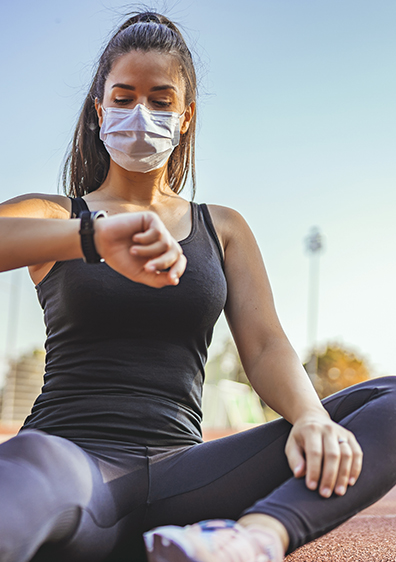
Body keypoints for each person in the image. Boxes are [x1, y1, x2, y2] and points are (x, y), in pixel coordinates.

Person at [0, 10, 395, 562]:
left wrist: (310, 416)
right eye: (123, 96)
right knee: (27, 468)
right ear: (99, 110)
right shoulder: (59, 215)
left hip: (188, 478)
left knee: (390, 397)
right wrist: (93, 236)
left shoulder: (223, 227)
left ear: (186, 117)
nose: (141, 113)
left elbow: (263, 346)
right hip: (69, 464)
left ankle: (253, 539)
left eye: (162, 100)